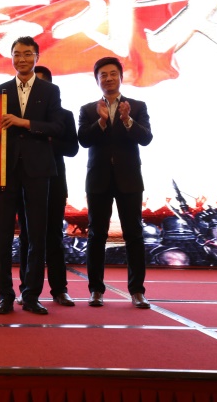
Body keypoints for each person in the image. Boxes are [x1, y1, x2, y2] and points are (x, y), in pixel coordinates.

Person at [0, 36, 64, 315]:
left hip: (38, 169)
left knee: (36, 234)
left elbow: (57, 127)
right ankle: (5, 295)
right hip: (6, 170)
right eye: (17, 54)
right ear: (11, 57)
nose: (21, 59)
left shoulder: (50, 90)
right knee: (3, 234)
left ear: (37, 57)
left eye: (27, 54)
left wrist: (24, 123)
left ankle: (31, 295)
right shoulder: (0, 90)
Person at [78, 56, 153, 309]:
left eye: (113, 74)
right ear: (97, 80)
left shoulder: (137, 106)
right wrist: (100, 121)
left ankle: (137, 291)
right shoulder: (88, 109)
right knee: (96, 235)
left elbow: (146, 138)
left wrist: (127, 120)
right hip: (98, 179)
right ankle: (96, 290)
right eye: (103, 75)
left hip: (129, 179)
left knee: (133, 235)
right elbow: (83, 140)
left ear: (121, 77)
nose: (108, 78)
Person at [15, 65, 78, 307]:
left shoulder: (64, 115)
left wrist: (45, 139)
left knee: (54, 236)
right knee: (27, 236)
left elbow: (72, 149)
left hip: (54, 182)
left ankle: (59, 289)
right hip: (25, 181)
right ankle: (26, 288)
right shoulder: (18, 115)